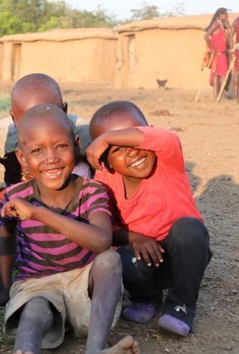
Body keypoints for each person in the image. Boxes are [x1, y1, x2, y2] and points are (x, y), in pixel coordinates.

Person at [0, 105, 139, 354]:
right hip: (38, 283)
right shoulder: (15, 196)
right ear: (23, 159)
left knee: (109, 261)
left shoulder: (92, 191)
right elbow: (5, 234)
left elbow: (102, 240)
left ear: (76, 148)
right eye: (37, 150)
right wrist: (4, 286)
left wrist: (40, 213)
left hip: (83, 286)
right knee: (34, 310)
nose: (50, 158)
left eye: (60, 146)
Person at [87, 101, 212, 337]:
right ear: (105, 161)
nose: (132, 151)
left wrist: (108, 138)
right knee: (122, 258)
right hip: (142, 260)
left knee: (190, 230)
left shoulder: (167, 160)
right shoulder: (103, 181)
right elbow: (104, 227)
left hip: (183, 258)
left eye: (134, 139)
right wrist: (135, 237)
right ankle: (146, 299)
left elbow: (167, 138)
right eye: (117, 148)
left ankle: (180, 306)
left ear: (148, 133)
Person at [0, 73, 92, 188]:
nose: (40, 127)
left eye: (61, 146)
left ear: (64, 111)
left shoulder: (87, 135)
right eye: (29, 120)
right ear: (14, 119)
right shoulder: (1, 134)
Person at [203, 8, 230, 99]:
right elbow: (206, 36)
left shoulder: (221, 25)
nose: (226, 16)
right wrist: (213, 49)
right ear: (220, 15)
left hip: (220, 53)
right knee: (222, 74)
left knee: (217, 74)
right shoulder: (216, 24)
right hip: (219, 54)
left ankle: (216, 94)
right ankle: (220, 94)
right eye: (225, 15)